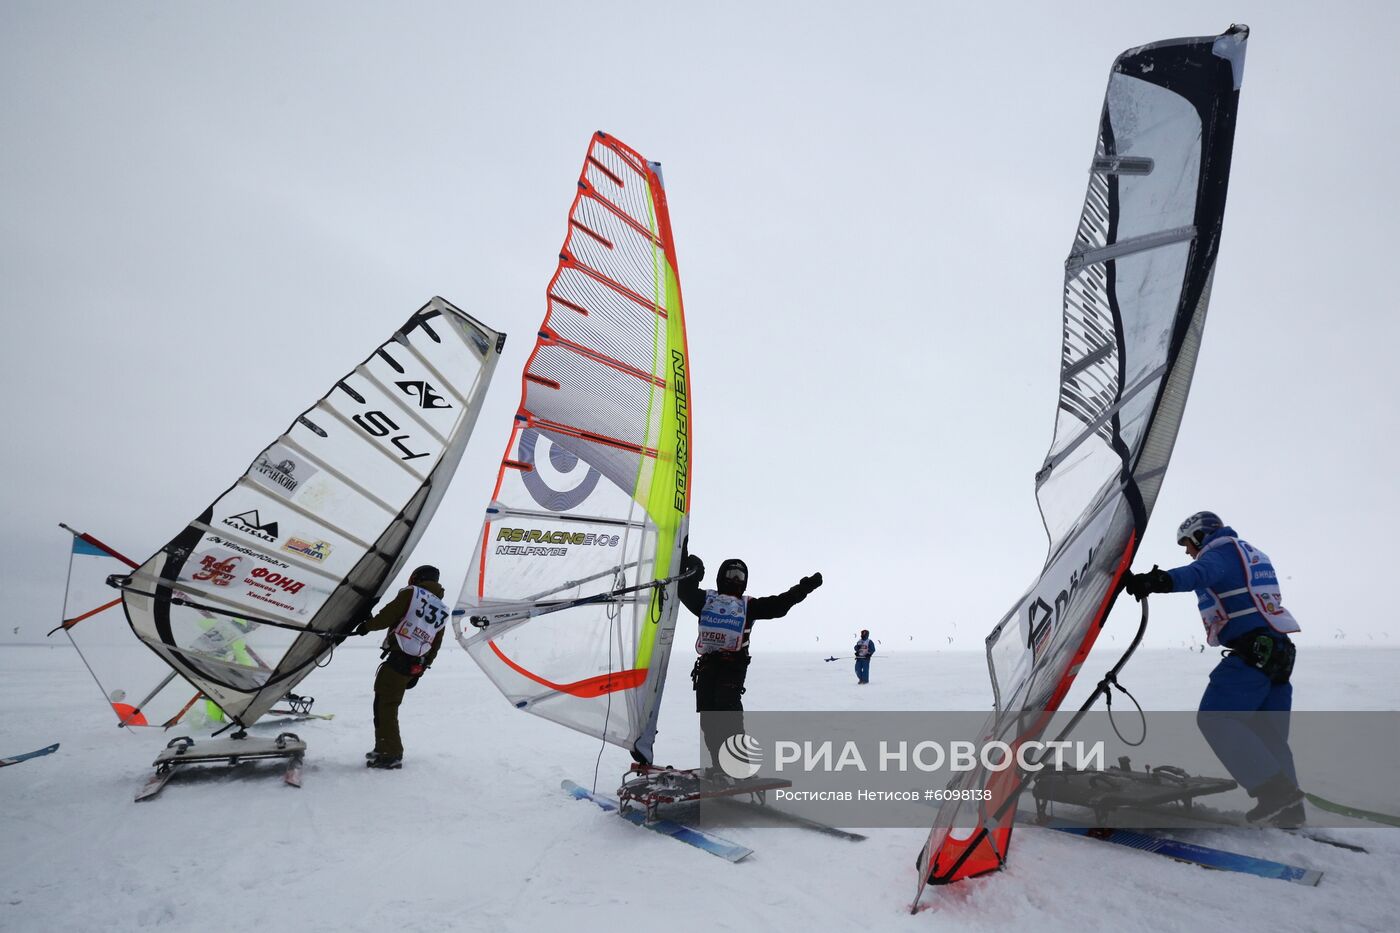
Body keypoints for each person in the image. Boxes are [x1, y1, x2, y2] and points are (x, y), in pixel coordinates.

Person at [1124, 511, 1303, 824]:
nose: (1187, 550)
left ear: (1200, 536)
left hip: (1253, 654)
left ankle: (1274, 791)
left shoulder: (1221, 551)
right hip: (1278, 654)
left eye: (1188, 544)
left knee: (1215, 717)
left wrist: (1158, 580)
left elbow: (1199, 573)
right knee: (1267, 734)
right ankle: (1289, 809)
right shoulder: (1250, 553)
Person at [679, 548, 822, 778]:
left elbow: (780, 605)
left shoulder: (748, 606)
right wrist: (696, 569)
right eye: (731, 574)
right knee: (709, 720)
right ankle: (721, 766)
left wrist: (804, 587)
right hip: (707, 667)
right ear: (721, 577)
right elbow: (684, 591)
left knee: (728, 717)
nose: (736, 580)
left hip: (732, 668)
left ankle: (739, 766)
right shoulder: (707, 600)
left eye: (740, 576)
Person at [354, 564, 449, 770]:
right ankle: (383, 747)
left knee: (385, 706)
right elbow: (436, 643)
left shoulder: (413, 594)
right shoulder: (442, 609)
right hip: (415, 664)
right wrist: (422, 670)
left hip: (399, 660)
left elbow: (388, 615)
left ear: (417, 578)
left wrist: (365, 627)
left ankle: (391, 754)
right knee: (386, 704)